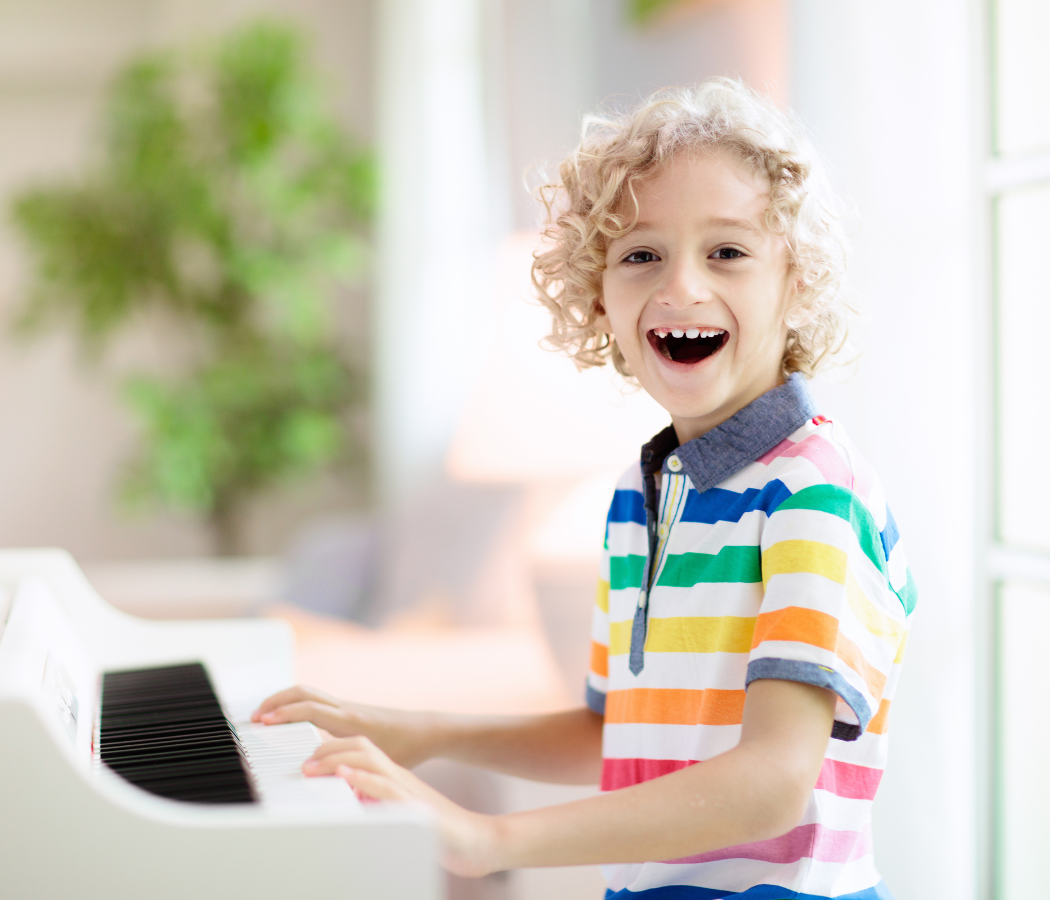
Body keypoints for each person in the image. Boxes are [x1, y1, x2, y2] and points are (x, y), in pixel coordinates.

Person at [252, 78, 916, 900]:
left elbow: (772, 782)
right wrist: (418, 732)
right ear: (598, 297)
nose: (682, 288)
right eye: (641, 255)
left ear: (799, 283)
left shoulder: (814, 494)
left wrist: (490, 837)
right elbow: (619, 735)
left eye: (728, 252)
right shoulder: (642, 499)